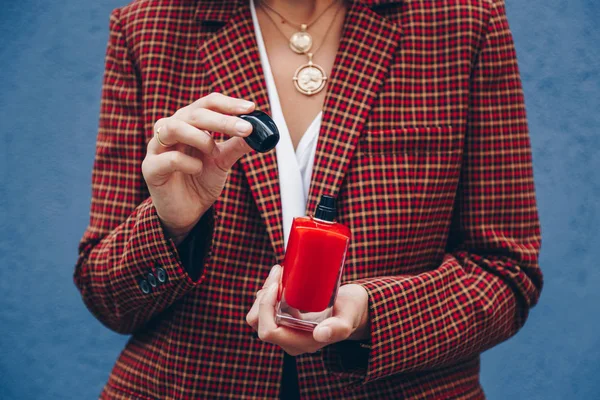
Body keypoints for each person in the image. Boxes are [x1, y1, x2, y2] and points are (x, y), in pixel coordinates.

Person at [74, 0, 543, 398]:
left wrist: (371, 313)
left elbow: (506, 272)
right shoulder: (148, 27)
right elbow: (108, 299)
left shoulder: (462, 20)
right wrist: (170, 226)